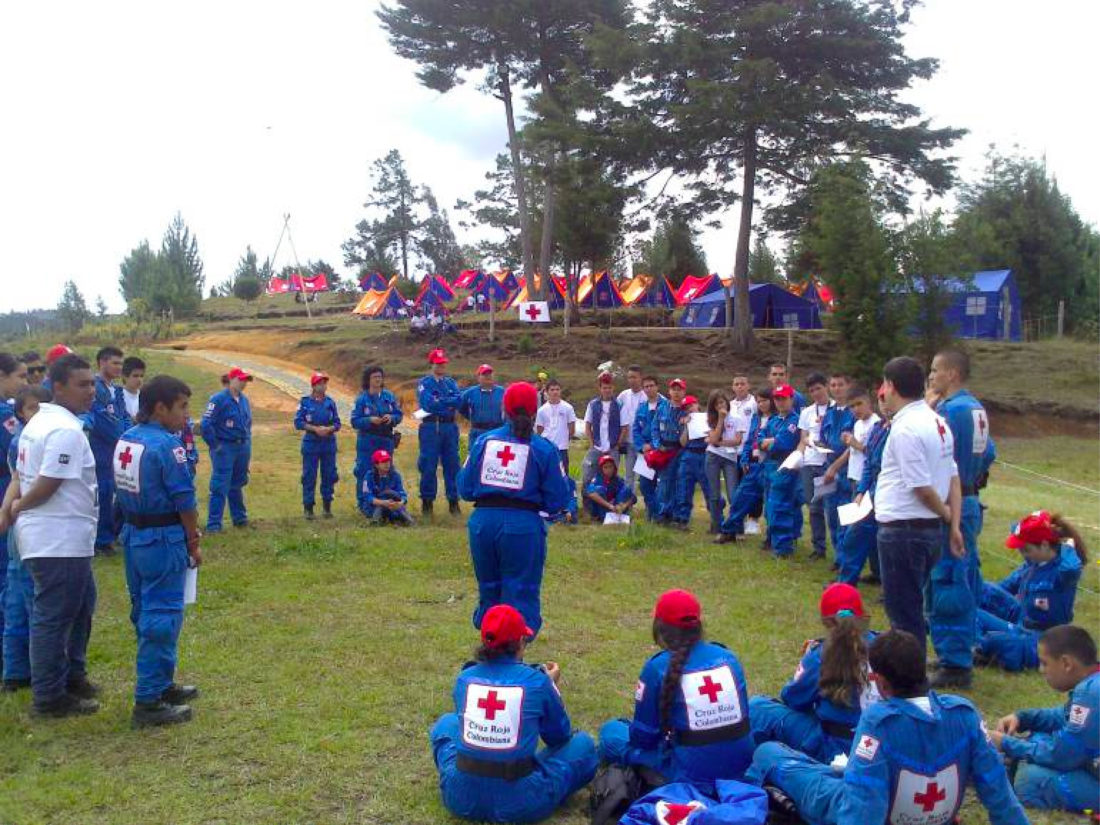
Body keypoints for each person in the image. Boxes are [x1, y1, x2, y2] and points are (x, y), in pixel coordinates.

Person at [748, 629, 1028, 825]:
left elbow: (860, 812)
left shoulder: (880, 723)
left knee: (769, 753)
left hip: (865, 805)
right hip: (932, 811)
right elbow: (999, 795)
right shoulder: (964, 713)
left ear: (880, 682)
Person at [429, 604, 597, 823]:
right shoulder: (538, 681)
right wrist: (549, 686)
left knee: (446, 723)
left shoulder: (465, 678)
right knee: (583, 744)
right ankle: (528, 772)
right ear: (519, 642)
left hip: (460, 798)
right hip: (521, 803)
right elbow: (559, 736)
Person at [0, 354, 100, 718]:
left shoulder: (41, 422)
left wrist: (17, 507)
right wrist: (21, 505)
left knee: (80, 605)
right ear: (58, 387)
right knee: (53, 617)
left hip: (60, 535)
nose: (91, 390)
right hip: (57, 537)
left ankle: (71, 677)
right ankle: (48, 696)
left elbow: (20, 473)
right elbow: (48, 481)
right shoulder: (62, 430)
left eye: (92, 383)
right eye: (82, 384)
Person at [113, 375, 203, 727]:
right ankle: (149, 700)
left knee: (146, 612)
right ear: (160, 408)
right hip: (163, 539)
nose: (186, 415)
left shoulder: (127, 439)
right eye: (181, 407)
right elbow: (185, 499)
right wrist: (192, 540)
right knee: (162, 616)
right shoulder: (169, 446)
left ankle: (162, 683)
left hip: (135, 535)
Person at [598, 589, 754, 786]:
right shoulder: (728, 657)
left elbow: (643, 739)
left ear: (659, 627)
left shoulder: (656, 668)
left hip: (689, 772)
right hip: (740, 766)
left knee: (612, 732)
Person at [458, 382, 569, 636]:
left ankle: (490, 642)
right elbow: (558, 499)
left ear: (504, 409)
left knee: (489, 588)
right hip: (523, 525)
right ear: (534, 411)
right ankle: (515, 651)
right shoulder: (544, 448)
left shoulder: (483, 442)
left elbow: (464, 488)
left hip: (483, 524)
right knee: (521, 590)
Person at [874, 356, 963, 660]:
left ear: (890, 386)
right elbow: (953, 476)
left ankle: (910, 680)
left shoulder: (906, 428)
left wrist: (947, 514)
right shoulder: (937, 422)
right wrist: (952, 526)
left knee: (904, 612)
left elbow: (922, 487)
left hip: (904, 530)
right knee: (912, 606)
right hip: (925, 530)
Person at [926, 348, 996, 688]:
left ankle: (955, 661)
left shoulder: (950, 412)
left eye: (936, 371)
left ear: (952, 374)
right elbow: (990, 452)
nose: (933, 376)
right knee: (966, 575)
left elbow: (939, 456)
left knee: (949, 580)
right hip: (970, 500)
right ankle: (958, 648)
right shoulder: (977, 409)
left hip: (951, 503)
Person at [750, 584, 879, 763]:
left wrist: (807, 661)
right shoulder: (888, 647)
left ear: (826, 621)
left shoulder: (820, 655)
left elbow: (793, 698)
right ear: (863, 615)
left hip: (835, 749)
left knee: (759, 708)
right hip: (881, 747)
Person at [990, 625, 1099, 812]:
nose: (1041, 670)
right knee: (1039, 739)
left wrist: (1007, 744)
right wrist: (1022, 717)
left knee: (1030, 781)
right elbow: (1062, 716)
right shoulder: (1092, 683)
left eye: (1044, 663)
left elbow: (1062, 755)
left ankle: (1002, 768)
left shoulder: (1091, 693)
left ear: (1066, 663)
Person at [976, 511, 1085, 672]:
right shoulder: (1032, 565)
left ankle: (980, 648)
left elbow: (1072, 567)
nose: (1023, 554)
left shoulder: (1063, 573)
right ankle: (971, 646)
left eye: (1026, 549)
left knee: (1000, 642)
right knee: (976, 602)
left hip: (1044, 637)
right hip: (1021, 620)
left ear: (1045, 545)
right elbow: (1002, 589)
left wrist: (1067, 547)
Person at [3, 385, 49, 691]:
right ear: (20, 413)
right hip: (28, 528)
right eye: (32, 409)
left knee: (16, 600)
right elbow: (20, 483)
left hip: (19, 524)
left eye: (42, 408)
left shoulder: (26, 438)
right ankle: (31, 669)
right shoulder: (28, 441)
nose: (37, 414)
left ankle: (15, 672)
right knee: (28, 601)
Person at [832, 387, 886, 586]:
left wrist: (855, 444)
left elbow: (871, 455)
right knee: (862, 531)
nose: (856, 409)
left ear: (870, 403)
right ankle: (876, 572)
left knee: (857, 533)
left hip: (873, 485)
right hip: (856, 478)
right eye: (852, 406)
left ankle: (847, 579)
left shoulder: (876, 425)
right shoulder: (860, 424)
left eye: (859, 404)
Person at [0, 353, 29, 678]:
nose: (24, 383)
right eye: (20, 376)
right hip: (9, 496)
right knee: (12, 583)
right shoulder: (10, 420)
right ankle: (14, 666)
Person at [714, 388, 773, 544]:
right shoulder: (756, 418)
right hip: (753, 466)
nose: (762, 404)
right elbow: (748, 441)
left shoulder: (777, 419)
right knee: (740, 499)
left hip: (770, 465)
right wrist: (745, 459)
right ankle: (729, 531)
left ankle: (772, 538)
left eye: (765, 400)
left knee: (772, 504)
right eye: (759, 401)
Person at [86, 346, 130, 554]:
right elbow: (104, 423)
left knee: (118, 492)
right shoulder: (95, 388)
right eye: (115, 363)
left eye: (121, 363)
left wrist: (126, 431)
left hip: (117, 451)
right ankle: (102, 539)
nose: (119, 367)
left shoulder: (115, 389)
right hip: (102, 451)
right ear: (102, 362)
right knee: (103, 494)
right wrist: (122, 432)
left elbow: (125, 418)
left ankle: (114, 532)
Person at [201, 366, 253, 532]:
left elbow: (247, 423)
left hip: (242, 446)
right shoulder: (218, 399)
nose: (243, 383)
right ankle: (214, 524)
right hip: (225, 447)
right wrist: (215, 445)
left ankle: (239, 518)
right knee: (220, 485)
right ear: (231, 380)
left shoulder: (244, 400)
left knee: (237, 483)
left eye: (245, 380)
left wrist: (247, 444)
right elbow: (206, 424)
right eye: (240, 379)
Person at [351, 365, 403, 511]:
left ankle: (385, 501)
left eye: (380, 377)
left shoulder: (389, 396)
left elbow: (399, 415)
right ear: (368, 380)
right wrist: (369, 420)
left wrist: (391, 417)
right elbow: (354, 421)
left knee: (386, 469)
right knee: (365, 470)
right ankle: (364, 504)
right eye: (374, 377)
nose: (378, 380)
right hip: (368, 440)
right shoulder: (362, 399)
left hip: (386, 439)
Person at [417, 348, 462, 516]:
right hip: (431, 427)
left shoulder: (451, 382)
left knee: (452, 464)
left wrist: (441, 403)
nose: (441, 366)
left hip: (449, 427)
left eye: (443, 363)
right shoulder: (425, 383)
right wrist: (446, 404)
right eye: (438, 363)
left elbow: (458, 401)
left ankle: (453, 501)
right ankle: (427, 502)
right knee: (429, 464)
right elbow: (428, 404)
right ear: (432, 364)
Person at [293, 371, 341, 520]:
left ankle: (327, 507)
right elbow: (298, 422)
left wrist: (329, 429)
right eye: (320, 383)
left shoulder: (330, 403)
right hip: (311, 442)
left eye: (325, 383)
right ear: (313, 385)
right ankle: (308, 508)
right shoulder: (305, 402)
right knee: (309, 476)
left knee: (329, 475)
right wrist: (314, 429)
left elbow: (338, 423)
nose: (323, 386)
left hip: (328, 443)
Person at [762, 385, 803, 558]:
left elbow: (783, 443)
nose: (780, 402)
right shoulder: (772, 420)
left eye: (783, 398)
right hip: (769, 465)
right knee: (770, 506)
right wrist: (768, 441)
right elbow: (759, 439)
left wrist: (769, 442)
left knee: (780, 506)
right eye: (777, 399)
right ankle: (775, 540)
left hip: (785, 464)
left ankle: (784, 547)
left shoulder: (795, 421)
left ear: (791, 399)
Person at [798, 373, 834, 561]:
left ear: (826, 386)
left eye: (818, 388)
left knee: (831, 507)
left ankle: (839, 548)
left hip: (829, 462)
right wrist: (803, 449)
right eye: (811, 390)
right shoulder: (807, 412)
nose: (815, 393)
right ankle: (818, 547)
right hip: (810, 461)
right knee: (813, 507)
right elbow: (803, 436)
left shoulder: (836, 408)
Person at [820, 373, 855, 557]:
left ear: (848, 386)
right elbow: (824, 438)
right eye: (832, 385)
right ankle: (837, 554)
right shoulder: (830, 413)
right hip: (829, 466)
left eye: (840, 384)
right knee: (831, 515)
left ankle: (845, 557)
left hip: (846, 469)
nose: (836, 388)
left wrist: (836, 467)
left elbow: (853, 446)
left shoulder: (853, 411)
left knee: (846, 516)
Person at [581, 373, 627, 498]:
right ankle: (588, 506)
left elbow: (624, 427)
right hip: (596, 447)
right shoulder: (592, 404)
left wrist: (617, 444)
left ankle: (611, 505)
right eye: (604, 388)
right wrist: (591, 444)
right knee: (588, 475)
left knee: (612, 479)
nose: (607, 390)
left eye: (609, 387)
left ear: (613, 388)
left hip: (612, 448)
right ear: (600, 388)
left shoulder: (619, 405)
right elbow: (587, 425)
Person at [651, 378, 687, 525]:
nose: (676, 392)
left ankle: (678, 515)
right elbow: (654, 428)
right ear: (669, 391)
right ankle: (662, 513)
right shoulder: (662, 408)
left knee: (680, 482)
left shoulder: (687, 410)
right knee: (665, 482)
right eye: (674, 389)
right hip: (665, 450)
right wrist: (657, 444)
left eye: (679, 389)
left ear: (684, 391)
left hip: (681, 450)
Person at [632, 376, 667, 521]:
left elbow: (668, 430)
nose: (648, 389)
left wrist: (655, 445)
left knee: (662, 486)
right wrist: (642, 446)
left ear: (657, 387)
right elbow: (635, 430)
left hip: (662, 451)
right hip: (645, 453)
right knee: (645, 485)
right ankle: (653, 512)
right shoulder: (641, 407)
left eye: (651, 386)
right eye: (646, 386)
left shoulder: (666, 406)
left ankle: (662, 514)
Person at [704, 390, 740, 534]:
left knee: (733, 493)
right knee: (714, 494)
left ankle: (735, 525)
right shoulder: (710, 419)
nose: (720, 406)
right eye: (716, 404)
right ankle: (716, 525)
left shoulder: (737, 418)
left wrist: (719, 442)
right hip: (713, 456)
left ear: (727, 402)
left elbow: (737, 441)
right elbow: (713, 440)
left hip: (730, 458)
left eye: (722, 402)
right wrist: (720, 420)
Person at [672, 394, 709, 529]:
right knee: (684, 487)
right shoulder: (685, 421)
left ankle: (717, 519)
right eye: (686, 408)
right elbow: (682, 442)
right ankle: (682, 519)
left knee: (709, 488)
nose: (689, 409)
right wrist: (687, 427)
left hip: (704, 455)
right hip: (688, 455)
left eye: (691, 405)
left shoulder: (708, 418)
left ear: (697, 404)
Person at [360, 449, 413, 526]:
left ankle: (406, 521)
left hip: (392, 505)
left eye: (388, 461)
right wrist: (383, 502)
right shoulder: (369, 476)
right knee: (379, 507)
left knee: (394, 499)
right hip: (374, 507)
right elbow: (367, 496)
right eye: (383, 462)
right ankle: (376, 521)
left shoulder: (395, 475)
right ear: (376, 464)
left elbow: (402, 493)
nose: (387, 464)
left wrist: (400, 503)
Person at [534, 379, 576, 473]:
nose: (555, 392)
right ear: (547, 392)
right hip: (547, 449)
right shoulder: (542, 410)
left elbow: (571, 428)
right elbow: (539, 430)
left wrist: (564, 440)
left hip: (562, 448)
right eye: (552, 390)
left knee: (563, 474)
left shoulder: (568, 408)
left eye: (557, 389)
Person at [458, 364, 505, 448]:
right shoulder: (470, 392)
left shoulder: (502, 391)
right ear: (478, 377)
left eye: (489, 374)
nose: (488, 376)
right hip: (477, 432)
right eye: (484, 374)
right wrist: (472, 417)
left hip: (497, 432)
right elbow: (461, 406)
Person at [616, 366, 646, 489]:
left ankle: (650, 504)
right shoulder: (623, 395)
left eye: (634, 377)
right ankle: (628, 503)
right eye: (629, 377)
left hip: (644, 443)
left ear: (640, 378)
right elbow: (615, 412)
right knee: (629, 475)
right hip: (629, 442)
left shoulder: (646, 395)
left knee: (645, 476)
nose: (632, 380)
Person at [584, 453, 635, 521]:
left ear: (614, 467)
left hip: (616, 507)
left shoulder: (618, 479)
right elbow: (590, 493)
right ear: (601, 469)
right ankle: (601, 517)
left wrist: (624, 506)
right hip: (602, 508)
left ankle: (620, 515)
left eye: (611, 466)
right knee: (600, 490)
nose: (609, 469)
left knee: (626, 489)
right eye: (605, 467)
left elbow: (633, 497)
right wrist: (610, 506)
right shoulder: (596, 479)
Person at [120, 356, 146, 420]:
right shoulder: (119, 396)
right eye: (135, 376)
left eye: (141, 376)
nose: (139, 380)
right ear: (124, 376)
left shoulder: (145, 396)